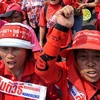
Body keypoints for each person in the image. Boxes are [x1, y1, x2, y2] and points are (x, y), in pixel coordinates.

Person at [35, 5, 100, 100]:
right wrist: (61, 28)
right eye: (83, 56)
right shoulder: (66, 73)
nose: (90, 63)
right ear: (74, 59)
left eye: (97, 57)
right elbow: (42, 71)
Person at [0, 22, 61, 100]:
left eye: (16, 49)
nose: (9, 55)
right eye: (5, 49)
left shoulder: (41, 74)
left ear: (27, 52)